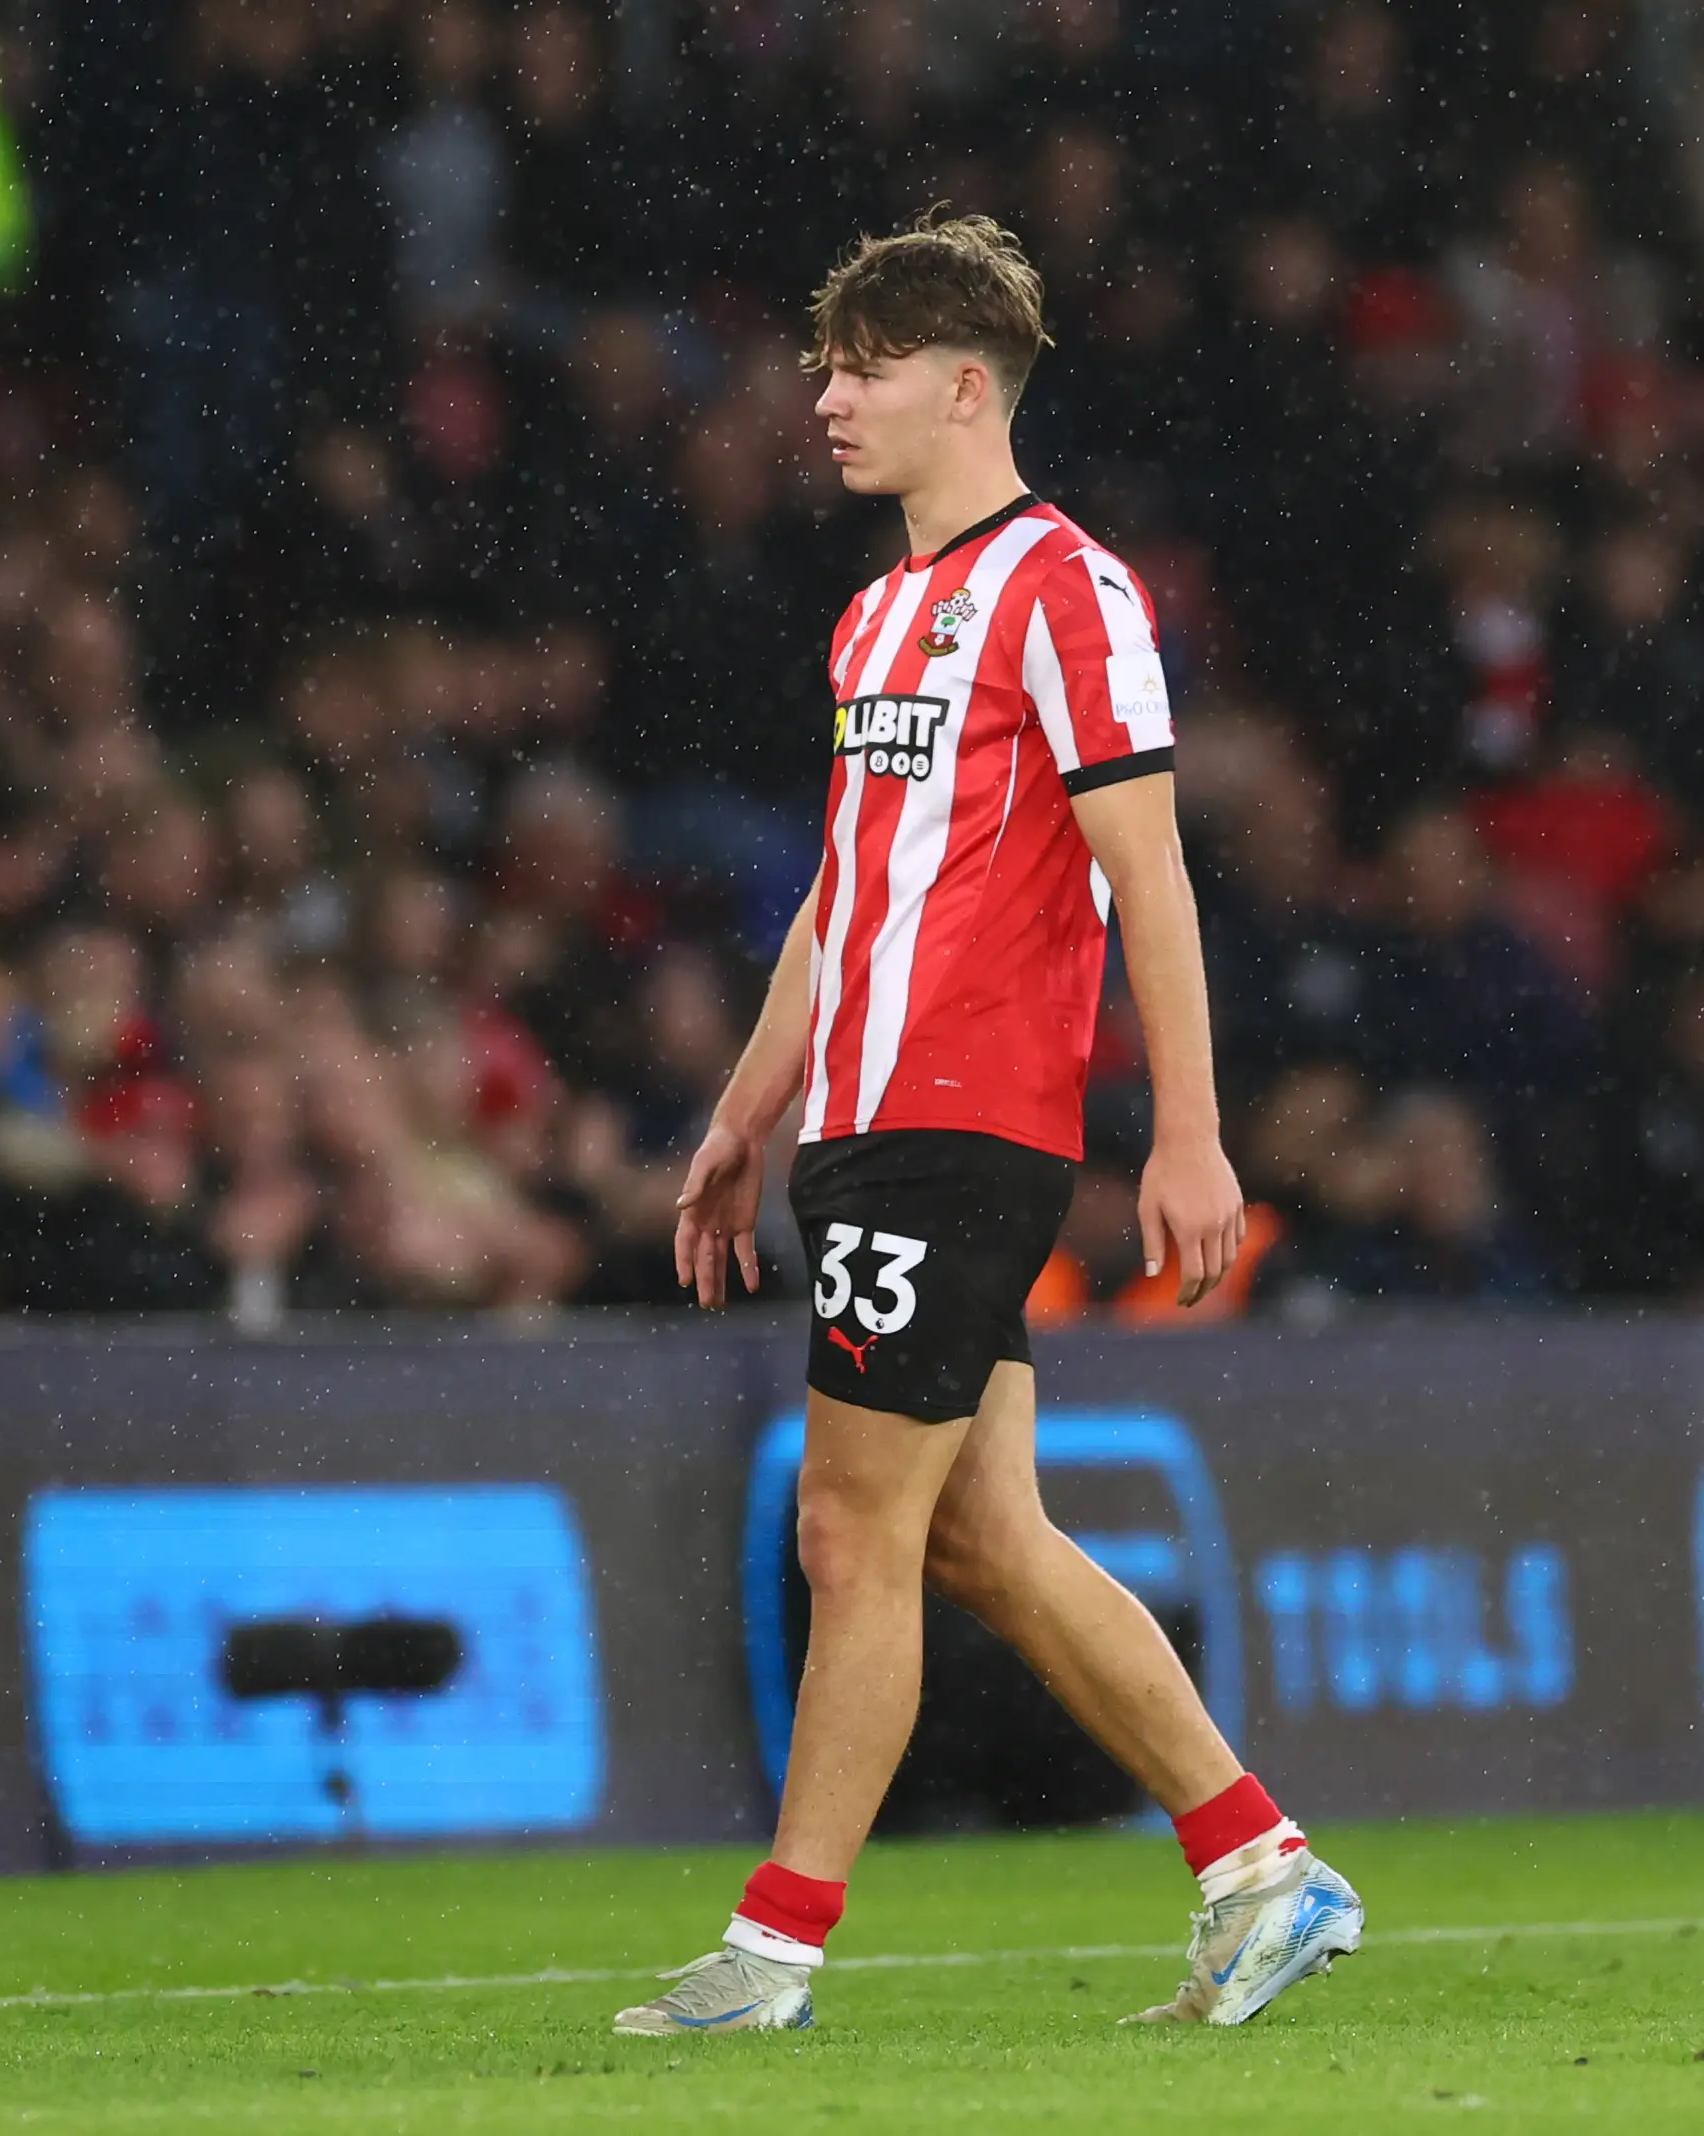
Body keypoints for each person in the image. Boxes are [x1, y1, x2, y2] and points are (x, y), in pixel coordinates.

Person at [616, 214, 1363, 2038]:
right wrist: (741, 1114)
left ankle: (773, 1950)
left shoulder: (1066, 590)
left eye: (861, 368)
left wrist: (1187, 1132)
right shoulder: (874, 616)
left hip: (960, 1122)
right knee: (977, 1540)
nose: (824, 398)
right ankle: (1261, 1868)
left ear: (966, 386)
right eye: (821, 366)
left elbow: (1148, 873)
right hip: (860, 1125)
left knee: (846, 1535)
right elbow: (840, 897)